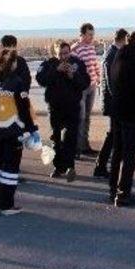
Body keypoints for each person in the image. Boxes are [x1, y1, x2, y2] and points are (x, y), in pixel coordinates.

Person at [0, 46, 38, 215]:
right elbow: (23, 108)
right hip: (11, 129)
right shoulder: (16, 82)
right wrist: (32, 129)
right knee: (10, 168)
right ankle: (6, 205)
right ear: (12, 62)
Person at [36, 42, 90, 181]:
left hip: (72, 106)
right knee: (56, 137)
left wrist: (73, 76)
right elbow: (41, 79)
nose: (63, 56)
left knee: (70, 137)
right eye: (60, 54)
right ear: (55, 53)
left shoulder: (77, 63)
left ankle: (70, 166)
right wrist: (56, 71)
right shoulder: (49, 64)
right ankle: (58, 166)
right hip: (55, 107)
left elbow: (85, 82)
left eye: (66, 53)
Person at [108, 30, 135, 207]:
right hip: (130, 112)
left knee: (118, 150)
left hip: (117, 109)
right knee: (130, 154)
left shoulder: (118, 56)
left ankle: (113, 188)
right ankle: (124, 192)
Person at [93, 28, 128, 179]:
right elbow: (111, 80)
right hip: (113, 101)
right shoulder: (112, 54)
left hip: (113, 100)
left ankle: (102, 164)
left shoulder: (113, 52)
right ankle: (101, 165)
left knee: (114, 133)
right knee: (113, 133)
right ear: (124, 39)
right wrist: (118, 98)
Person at [71, 23, 101, 155]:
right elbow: (73, 68)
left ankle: (85, 145)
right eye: (89, 35)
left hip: (92, 85)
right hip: (81, 87)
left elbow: (95, 64)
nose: (91, 37)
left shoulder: (91, 48)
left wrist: (99, 77)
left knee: (88, 117)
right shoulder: (75, 49)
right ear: (82, 34)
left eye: (93, 35)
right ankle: (77, 146)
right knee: (80, 117)